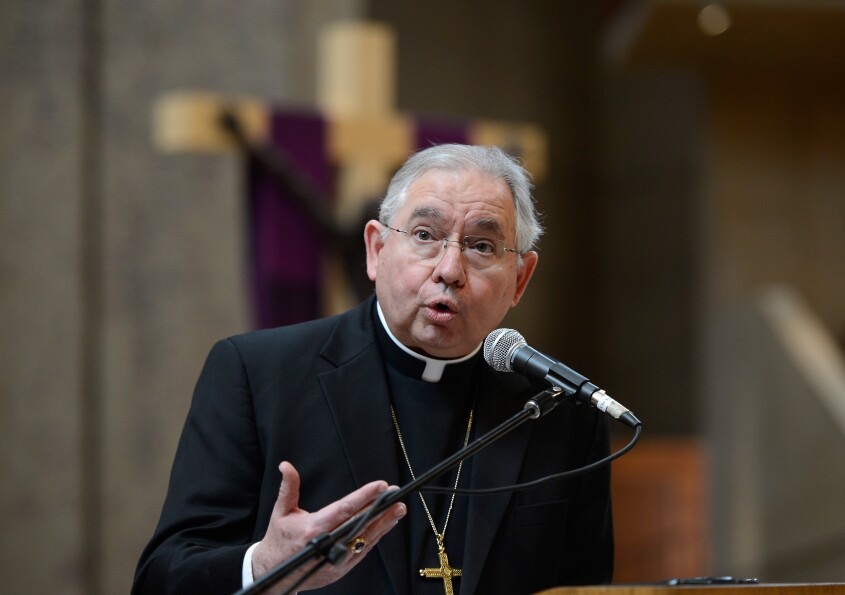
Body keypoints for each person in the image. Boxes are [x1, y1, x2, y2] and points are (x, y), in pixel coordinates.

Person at [133, 144, 613, 595]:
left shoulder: (560, 410)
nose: (450, 269)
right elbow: (161, 577)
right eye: (425, 235)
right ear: (376, 250)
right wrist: (264, 565)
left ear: (521, 280)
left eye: (482, 246)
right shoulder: (256, 375)